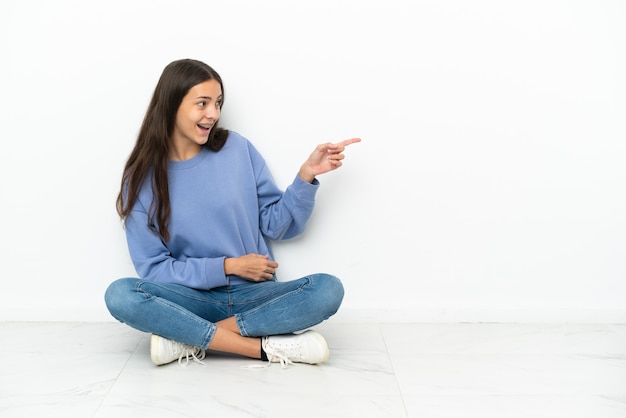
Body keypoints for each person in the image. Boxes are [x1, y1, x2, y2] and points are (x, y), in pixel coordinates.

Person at [104, 58, 360, 367]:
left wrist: (305, 176)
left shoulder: (237, 150)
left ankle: (189, 339)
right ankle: (262, 349)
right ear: (172, 105)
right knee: (120, 294)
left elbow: (278, 225)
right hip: (190, 300)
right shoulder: (142, 179)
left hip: (255, 298)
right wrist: (229, 266)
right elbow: (155, 270)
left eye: (218, 103)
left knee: (327, 289)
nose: (213, 113)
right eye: (202, 103)